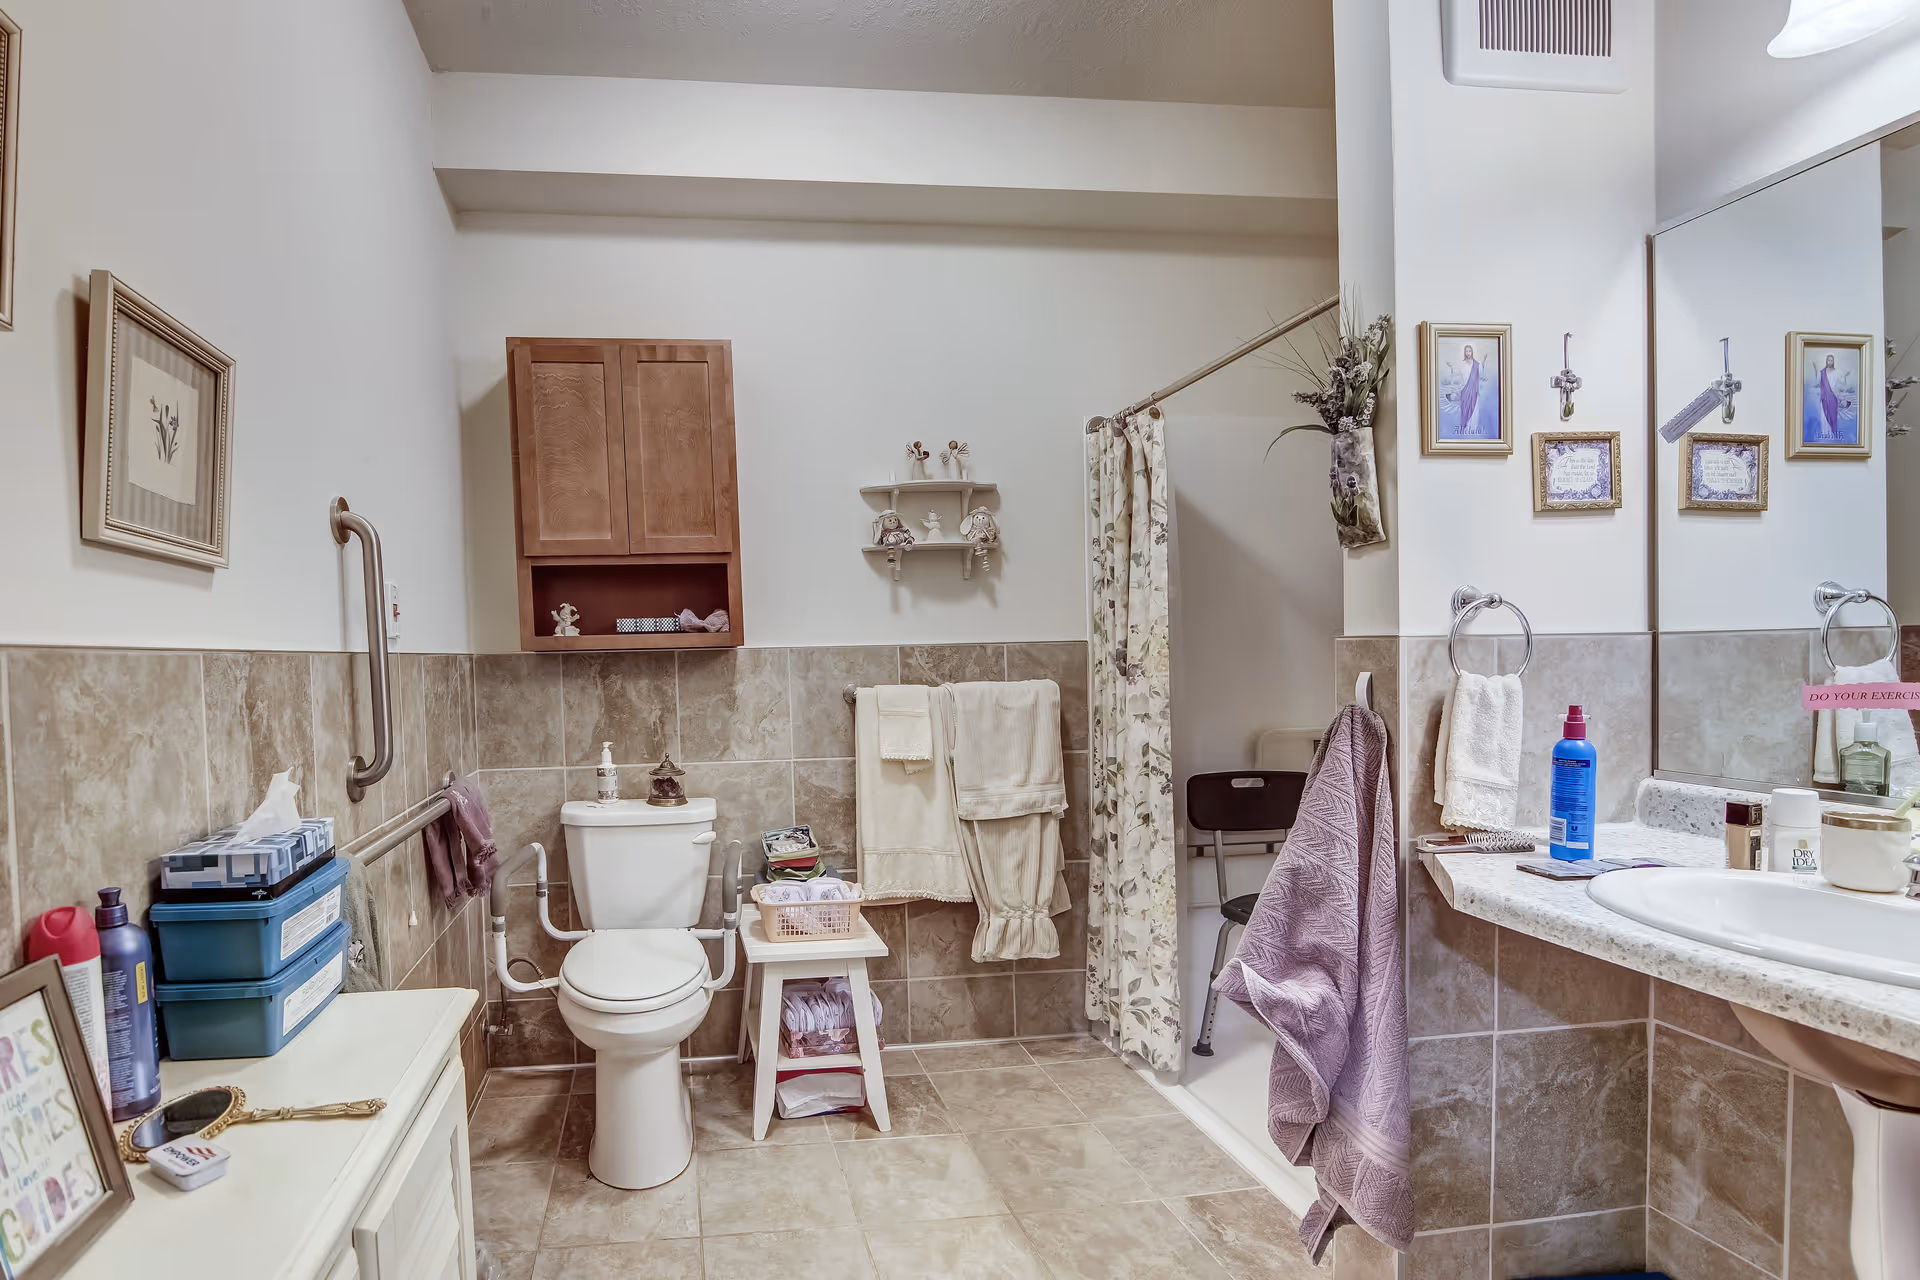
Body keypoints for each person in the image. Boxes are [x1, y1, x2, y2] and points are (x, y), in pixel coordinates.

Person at [1815, 353, 1843, 441]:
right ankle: (1825, 434)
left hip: (1833, 398)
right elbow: (1819, 383)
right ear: (1826, 361)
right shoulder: (1822, 372)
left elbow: (1840, 383)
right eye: (1828, 360)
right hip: (1824, 398)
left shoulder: (1836, 372)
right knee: (1824, 416)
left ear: (1833, 361)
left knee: (1833, 416)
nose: (1830, 362)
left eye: (1831, 360)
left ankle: (1832, 435)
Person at [1456, 344, 1482, 436]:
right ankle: (1465, 428)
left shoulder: (1477, 365)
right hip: (1464, 391)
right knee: (1465, 409)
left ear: (1472, 352)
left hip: (1474, 391)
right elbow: (1460, 378)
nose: (1468, 353)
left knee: (1474, 410)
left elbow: (1479, 378)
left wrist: (1477, 389)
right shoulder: (1462, 365)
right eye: (1466, 351)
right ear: (1464, 352)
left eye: (1469, 351)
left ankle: (1473, 429)